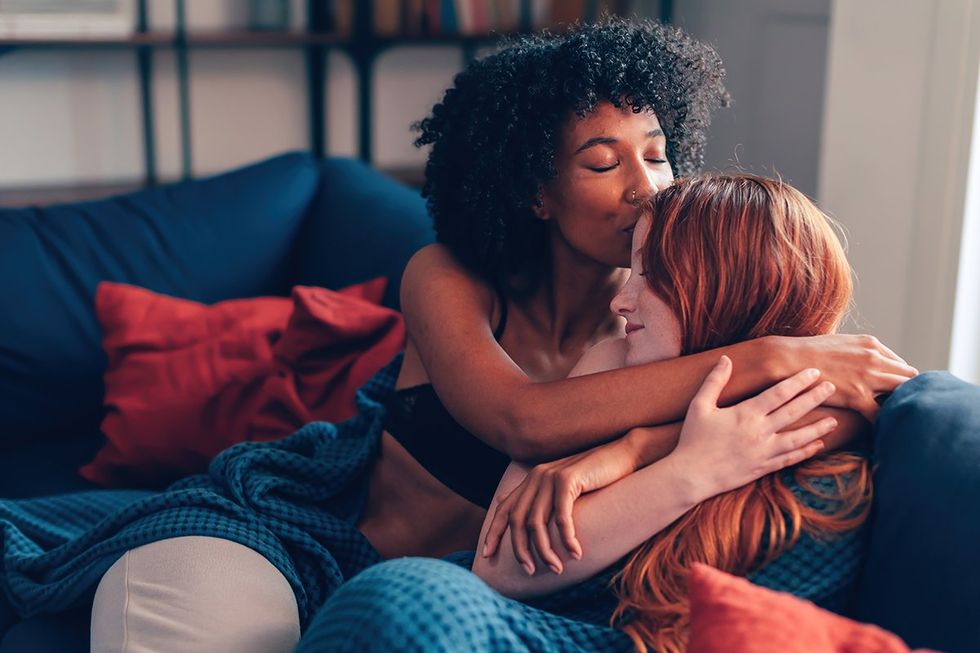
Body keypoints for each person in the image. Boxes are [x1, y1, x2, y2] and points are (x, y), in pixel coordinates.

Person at [0, 19, 913, 653]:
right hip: (304, 537)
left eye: (658, 151)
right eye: (603, 161)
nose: (647, 185)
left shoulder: (657, 328)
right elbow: (520, 418)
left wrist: (636, 445)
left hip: (455, 606)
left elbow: (819, 417)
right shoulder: (449, 278)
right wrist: (757, 359)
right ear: (533, 190)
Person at [473, 174, 873, 653]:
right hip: (495, 611)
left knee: (407, 598)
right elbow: (496, 567)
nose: (620, 300)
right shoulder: (614, 360)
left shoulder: (819, 482)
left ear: (733, 284)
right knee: (406, 592)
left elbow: (890, 398)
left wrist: (684, 468)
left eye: (649, 274)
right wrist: (660, 454)